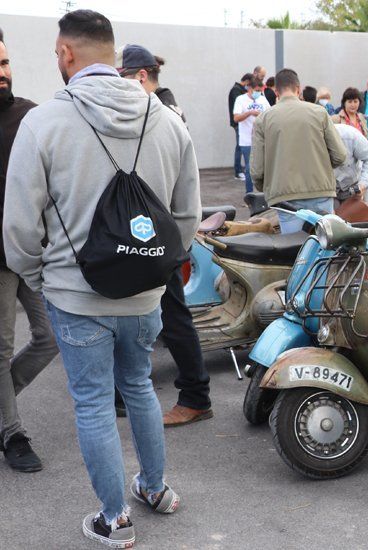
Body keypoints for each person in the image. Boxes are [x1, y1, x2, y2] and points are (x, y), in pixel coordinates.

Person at [3, 10, 200, 547]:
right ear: (112, 54)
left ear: (66, 53)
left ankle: (113, 520)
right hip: (146, 295)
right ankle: (155, 488)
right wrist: (162, 268)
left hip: (74, 293)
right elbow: (187, 215)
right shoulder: (167, 121)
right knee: (138, 385)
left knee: (91, 402)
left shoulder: (42, 123)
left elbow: (19, 225)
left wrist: (40, 279)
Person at [118, 44, 213, 427]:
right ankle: (128, 391)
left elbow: (185, 191)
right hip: (156, 234)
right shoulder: (162, 110)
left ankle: (195, 395)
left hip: (156, 235)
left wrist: (178, 244)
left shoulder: (160, 114)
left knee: (171, 316)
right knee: (155, 315)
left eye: (122, 76)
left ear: (140, 76)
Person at [0, 27, 59, 473]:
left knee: (50, 337)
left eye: (4, 63)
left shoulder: (30, 116)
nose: (2, 73)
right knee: (0, 349)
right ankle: (13, 433)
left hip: (33, 252)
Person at [250, 68, 347, 213]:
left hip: (283, 196)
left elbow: (257, 170)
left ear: (276, 91)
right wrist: (321, 167)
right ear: (298, 89)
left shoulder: (263, 119)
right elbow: (340, 155)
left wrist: (269, 185)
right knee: (322, 234)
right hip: (320, 191)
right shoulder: (319, 113)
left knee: (291, 236)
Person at [233, 76, 271, 193]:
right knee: (249, 168)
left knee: (263, 167)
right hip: (246, 140)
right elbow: (236, 118)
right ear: (249, 88)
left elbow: (270, 115)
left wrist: (261, 115)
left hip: (261, 139)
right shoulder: (241, 99)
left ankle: (263, 194)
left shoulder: (263, 100)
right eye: (256, 90)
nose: (258, 93)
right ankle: (249, 194)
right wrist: (249, 113)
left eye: (260, 91)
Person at [333, 123, 368, 202]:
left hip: (354, 186)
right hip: (328, 191)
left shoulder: (350, 135)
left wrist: (363, 183)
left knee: (359, 213)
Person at [228, 72, 251, 180]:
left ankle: (241, 170)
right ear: (246, 81)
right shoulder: (236, 91)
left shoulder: (238, 90)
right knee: (240, 147)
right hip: (238, 123)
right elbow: (239, 109)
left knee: (241, 146)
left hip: (241, 123)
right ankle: (238, 171)